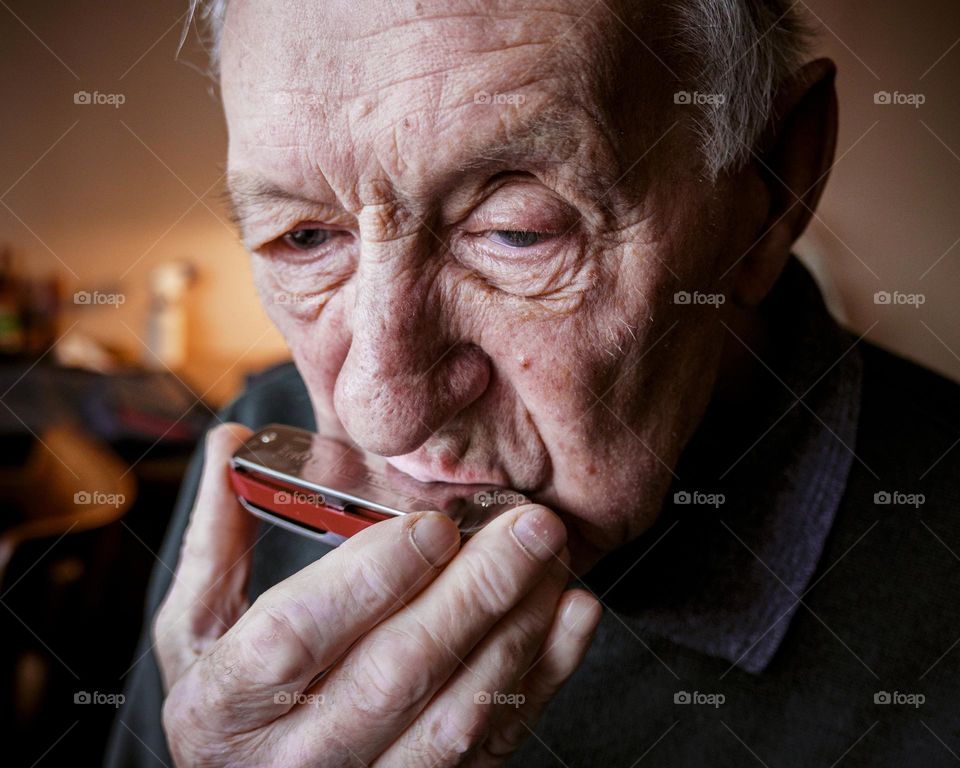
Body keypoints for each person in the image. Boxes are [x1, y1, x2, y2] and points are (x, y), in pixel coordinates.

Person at [106, 1, 960, 765]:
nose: (377, 410)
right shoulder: (263, 448)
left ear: (771, 183)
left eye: (516, 232)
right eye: (303, 239)